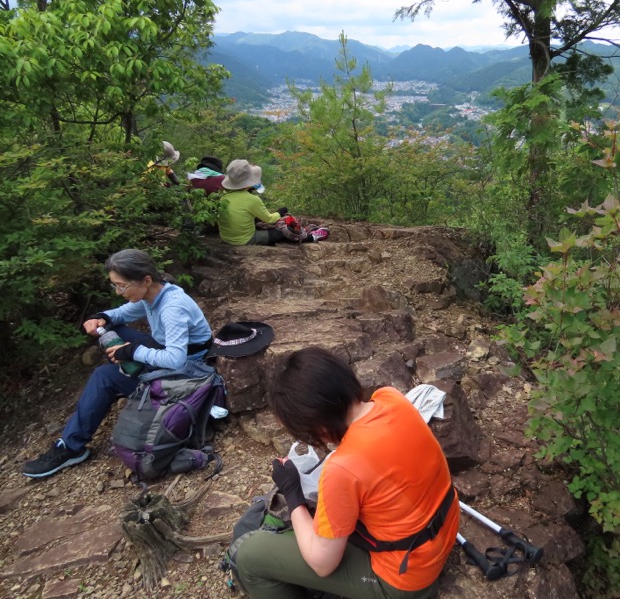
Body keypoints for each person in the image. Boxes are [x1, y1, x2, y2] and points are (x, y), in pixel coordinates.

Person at [234, 347, 458, 599]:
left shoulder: (343, 467)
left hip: (404, 579)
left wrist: (292, 492)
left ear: (316, 425)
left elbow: (322, 564)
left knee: (251, 555)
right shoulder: (391, 398)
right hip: (439, 538)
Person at [22, 249, 213, 479]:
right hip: (165, 351)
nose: (119, 292)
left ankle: (71, 448)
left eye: (122, 285)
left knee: (104, 377)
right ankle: (126, 367)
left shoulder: (172, 307)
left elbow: (175, 359)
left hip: (185, 371)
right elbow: (121, 314)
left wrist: (132, 351)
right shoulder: (153, 295)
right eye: (115, 285)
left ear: (146, 279)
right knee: (111, 328)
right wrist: (102, 317)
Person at [217, 159, 328, 246]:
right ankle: (311, 237)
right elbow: (269, 219)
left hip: (226, 238)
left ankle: (304, 231)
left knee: (263, 226)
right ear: (248, 184)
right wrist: (280, 213)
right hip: (245, 240)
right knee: (282, 231)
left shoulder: (223, 198)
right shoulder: (252, 200)